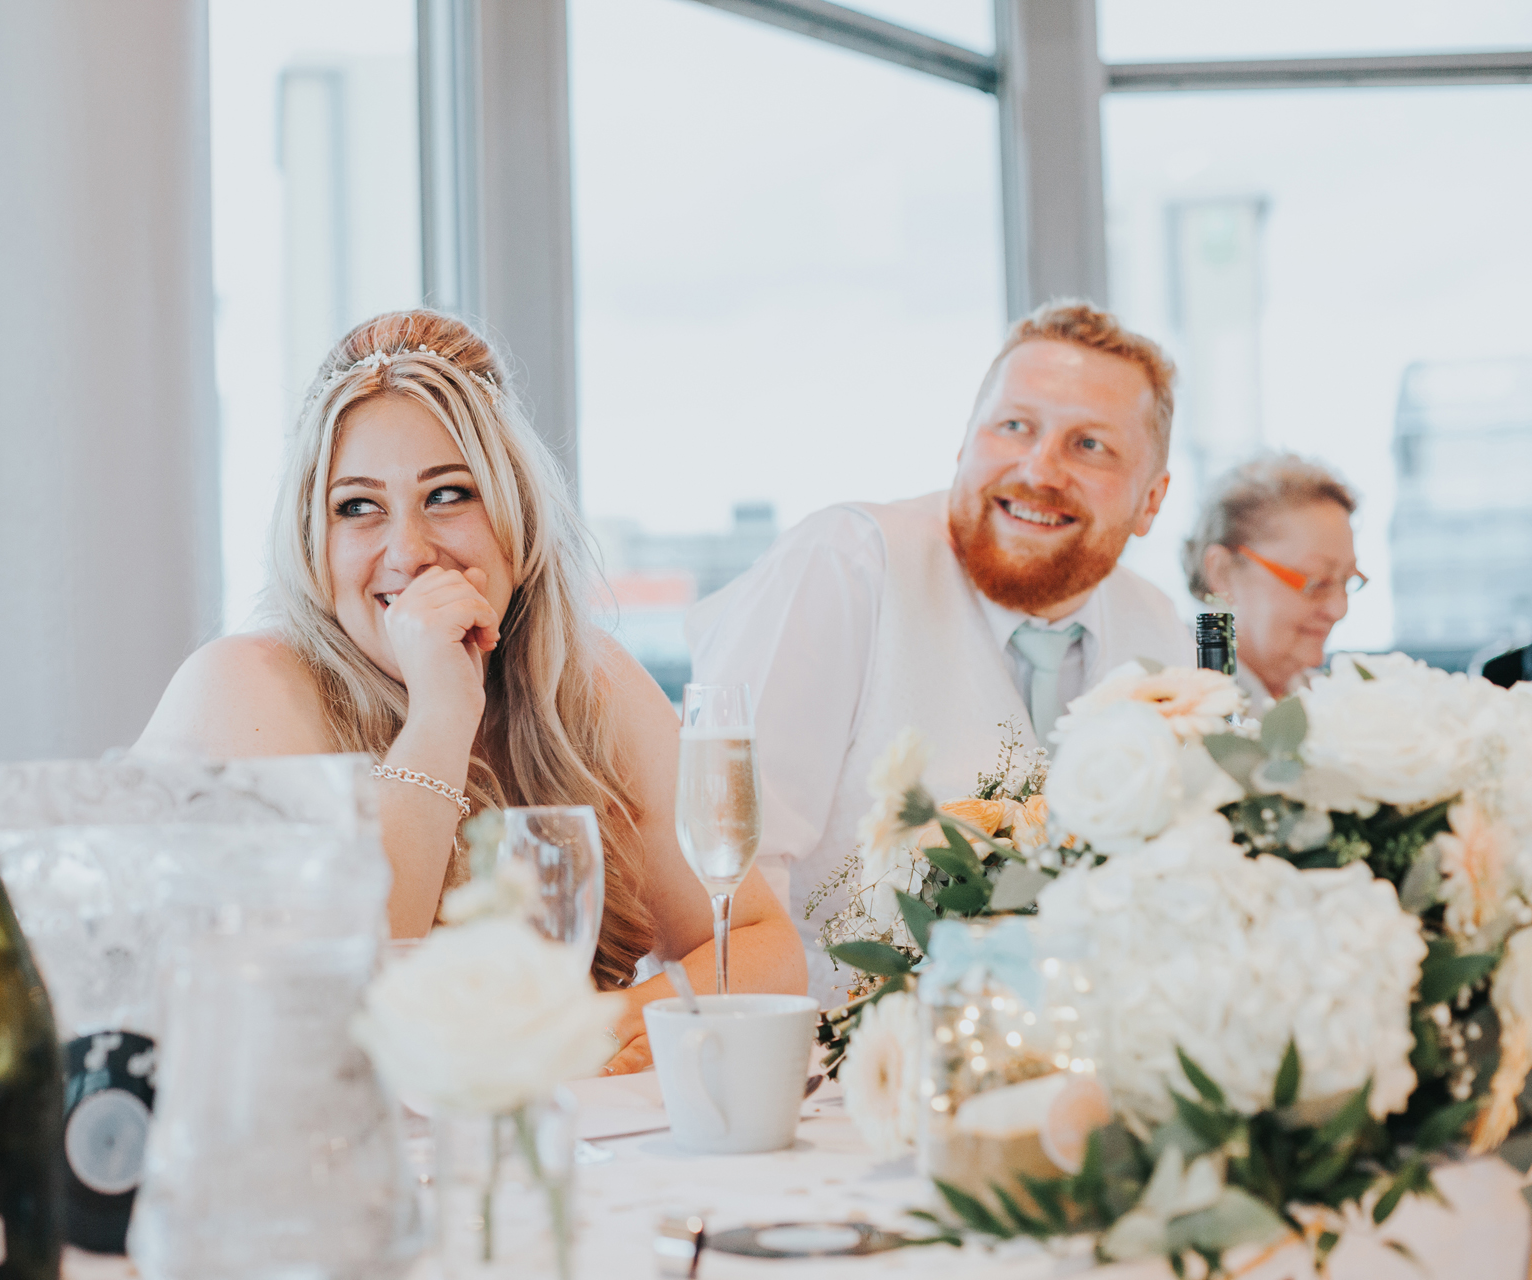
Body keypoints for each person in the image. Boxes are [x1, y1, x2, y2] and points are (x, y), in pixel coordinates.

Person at [138, 310, 804, 1073]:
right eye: (358, 507)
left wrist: (594, 1026)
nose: (408, 552)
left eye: (448, 495)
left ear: (512, 514)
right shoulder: (242, 689)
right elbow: (334, 1015)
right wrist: (441, 714)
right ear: (311, 542)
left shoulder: (589, 681)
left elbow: (762, 949)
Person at [686, 300, 1193, 1004]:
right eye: (1014, 426)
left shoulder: (1163, 632)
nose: (1039, 469)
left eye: (1090, 446)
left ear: (1151, 501)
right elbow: (726, 862)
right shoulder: (846, 565)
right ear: (964, 444)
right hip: (826, 1072)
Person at [1183, 453, 1362, 709]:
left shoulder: (1332, 701)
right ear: (1223, 573)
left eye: (1347, 581)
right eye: (1316, 582)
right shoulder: (1169, 704)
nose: (1339, 609)